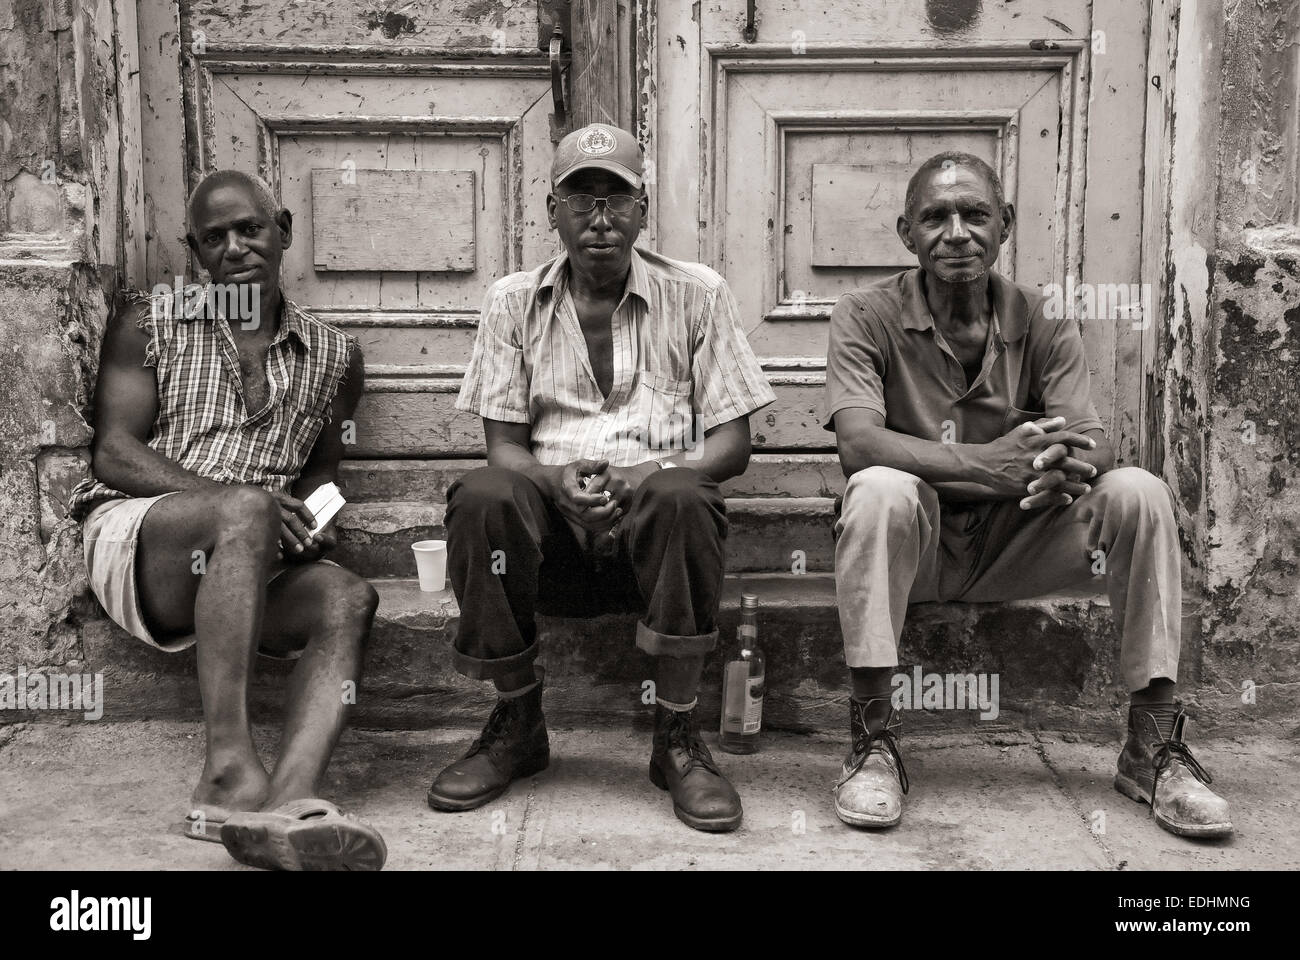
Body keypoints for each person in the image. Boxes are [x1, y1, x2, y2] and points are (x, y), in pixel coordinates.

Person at [823, 151, 1231, 838]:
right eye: (935, 217)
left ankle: (1152, 743)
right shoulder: (864, 315)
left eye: (975, 214)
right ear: (906, 233)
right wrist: (990, 465)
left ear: (1005, 223)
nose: (957, 233)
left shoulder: (1041, 317)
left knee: (1139, 492)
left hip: (1017, 543)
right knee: (878, 489)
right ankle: (871, 742)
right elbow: (859, 445)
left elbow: (1093, 444)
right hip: (915, 551)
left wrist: (1048, 467)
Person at [428, 123, 776, 832]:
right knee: (482, 496)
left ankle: (676, 736)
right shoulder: (511, 301)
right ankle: (517, 722)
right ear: (551, 211)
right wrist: (554, 482)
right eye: (581, 199)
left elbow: (733, 444)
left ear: (642, 209)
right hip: (548, 550)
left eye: (616, 199)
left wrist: (648, 472)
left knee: (682, 492)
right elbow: (504, 449)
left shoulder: (697, 294)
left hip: (654, 550)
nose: (600, 219)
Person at [68, 169, 387, 870]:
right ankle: (226, 770)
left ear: (285, 232)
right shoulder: (151, 321)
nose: (235, 247)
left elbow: (320, 475)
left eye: (250, 229)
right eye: (214, 238)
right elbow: (115, 452)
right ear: (194, 252)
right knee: (245, 506)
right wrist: (237, 501)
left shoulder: (336, 356)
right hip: (142, 543)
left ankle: (287, 807)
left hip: (248, 563)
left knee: (348, 596)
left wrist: (317, 520)